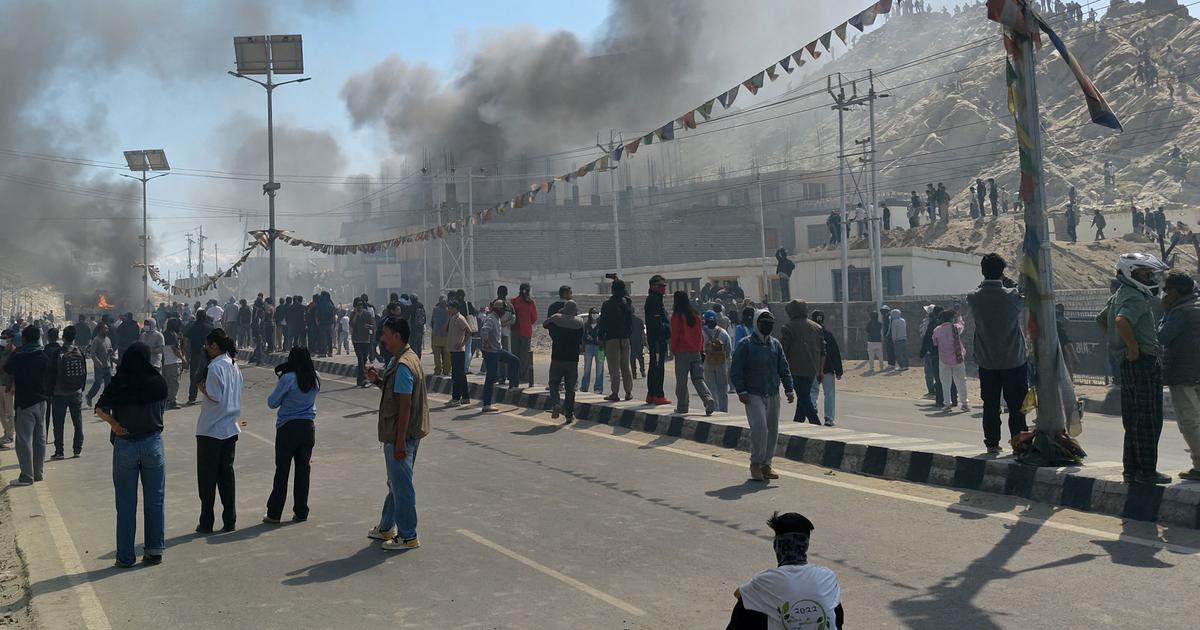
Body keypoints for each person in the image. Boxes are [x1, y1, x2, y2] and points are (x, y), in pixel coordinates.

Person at [1098, 253, 1172, 484]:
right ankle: (1147, 471)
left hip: (1129, 365)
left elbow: (1102, 320)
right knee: (1148, 420)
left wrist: (1119, 346)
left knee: (1132, 420)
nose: (1149, 278)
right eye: (1145, 274)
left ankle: (1131, 470)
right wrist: (1131, 347)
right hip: (1144, 362)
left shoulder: (1120, 294)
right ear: (1131, 273)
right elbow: (1121, 321)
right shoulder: (1135, 299)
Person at [93, 341, 168, 567]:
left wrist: (114, 425)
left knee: (125, 503)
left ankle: (125, 556)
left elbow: (99, 408)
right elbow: (161, 410)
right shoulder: (158, 381)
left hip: (125, 443)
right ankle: (154, 550)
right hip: (152, 443)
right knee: (155, 500)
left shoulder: (119, 381)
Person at [364, 318, 429, 551]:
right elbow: (397, 393)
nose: (383, 338)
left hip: (401, 434)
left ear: (397, 336)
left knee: (401, 485)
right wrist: (379, 381)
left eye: (386, 334)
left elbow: (405, 404)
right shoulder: (406, 359)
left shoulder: (403, 364)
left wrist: (400, 439)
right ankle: (386, 527)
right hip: (406, 432)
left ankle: (408, 535)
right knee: (396, 482)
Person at [728, 512, 844, 629]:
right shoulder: (827, 576)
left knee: (747, 605)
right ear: (805, 545)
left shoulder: (767, 580)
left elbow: (739, 594)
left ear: (777, 545)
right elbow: (838, 619)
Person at [967, 254, 1030, 454]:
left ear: (982, 272)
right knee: (1017, 406)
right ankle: (1019, 443)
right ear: (1002, 272)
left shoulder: (973, 297)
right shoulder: (1011, 296)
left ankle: (992, 443)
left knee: (990, 405)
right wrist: (1008, 282)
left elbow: (978, 289)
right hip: (1014, 360)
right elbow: (1022, 295)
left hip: (987, 361)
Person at [731, 310, 795, 481]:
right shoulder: (745, 344)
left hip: (773, 392)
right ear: (756, 324)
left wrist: (789, 389)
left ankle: (767, 464)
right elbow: (736, 369)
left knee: (772, 430)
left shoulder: (776, 345)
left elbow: (784, 368)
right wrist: (741, 390)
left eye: (770, 322)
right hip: (753, 394)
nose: (767, 325)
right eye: (763, 321)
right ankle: (755, 463)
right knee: (759, 428)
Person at [194, 329, 243, 533]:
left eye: (207, 345)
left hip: (211, 429)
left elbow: (215, 396)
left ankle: (207, 522)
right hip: (230, 428)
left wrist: (200, 386)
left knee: (207, 479)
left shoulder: (215, 367)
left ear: (214, 346)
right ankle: (229, 519)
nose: (205, 348)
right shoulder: (234, 365)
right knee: (226, 476)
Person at [264, 347, 320, 524]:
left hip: (288, 427)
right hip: (307, 427)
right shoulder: (315, 376)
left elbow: (272, 402)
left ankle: (274, 513)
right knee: (303, 471)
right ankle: (301, 511)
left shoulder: (288, 378)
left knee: (282, 470)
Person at [1157, 272, 1200, 480]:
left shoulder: (1179, 312)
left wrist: (1164, 313)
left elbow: (1162, 337)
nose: (1164, 294)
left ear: (1176, 291)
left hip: (1183, 374)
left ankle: (1199, 464)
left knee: (1189, 420)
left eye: (1167, 290)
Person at [4, 326, 48, 485]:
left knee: (24, 440)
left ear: (24, 339)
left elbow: (7, 369)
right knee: (39, 439)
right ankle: (38, 473)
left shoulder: (19, 356)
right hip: (41, 402)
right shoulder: (43, 356)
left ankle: (26, 476)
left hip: (24, 403)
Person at [671, 291, 716, 416]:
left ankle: (682, 406)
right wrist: (700, 349)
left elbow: (675, 335)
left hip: (682, 352)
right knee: (698, 379)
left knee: (681, 380)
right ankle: (708, 399)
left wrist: (673, 349)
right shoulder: (695, 315)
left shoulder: (677, 316)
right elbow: (700, 335)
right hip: (695, 351)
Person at [780, 300, 824, 425]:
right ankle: (797, 422)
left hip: (795, 370)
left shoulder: (788, 327)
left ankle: (816, 423)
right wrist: (820, 370)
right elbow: (822, 351)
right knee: (803, 397)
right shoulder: (817, 327)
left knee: (804, 398)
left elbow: (783, 351)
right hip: (812, 369)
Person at [49, 325, 88, 459]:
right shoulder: (80, 352)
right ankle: (77, 449)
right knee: (77, 421)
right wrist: (80, 389)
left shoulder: (58, 353)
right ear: (74, 337)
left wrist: (51, 391)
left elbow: (52, 374)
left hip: (59, 393)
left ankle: (59, 451)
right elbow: (84, 373)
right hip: (76, 393)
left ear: (63, 337)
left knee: (58, 424)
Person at [544, 300, 584, 423]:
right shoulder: (579, 322)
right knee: (570, 389)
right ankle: (569, 415)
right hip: (572, 360)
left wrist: (559, 314)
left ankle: (556, 403)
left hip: (557, 358)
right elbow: (581, 340)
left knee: (554, 383)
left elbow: (545, 324)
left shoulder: (556, 318)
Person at [479, 300, 520, 413]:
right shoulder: (491, 319)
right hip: (491, 352)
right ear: (498, 309)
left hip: (497, 350)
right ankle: (487, 404)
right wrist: (487, 344)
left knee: (514, 361)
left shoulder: (497, 318)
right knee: (490, 378)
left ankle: (513, 386)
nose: (504, 312)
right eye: (503, 310)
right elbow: (484, 331)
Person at [599, 279, 635, 402]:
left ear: (612, 290)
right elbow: (631, 321)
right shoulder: (627, 304)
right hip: (624, 339)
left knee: (614, 368)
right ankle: (628, 392)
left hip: (611, 339)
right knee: (625, 366)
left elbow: (602, 322)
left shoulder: (607, 304)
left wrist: (600, 337)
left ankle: (615, 393)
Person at [933, 310, 970, 413]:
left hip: (944, 360)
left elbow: (935, 343)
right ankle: (964, 404)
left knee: (946, 383)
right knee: (961, 381)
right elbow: (962, 324)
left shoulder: (937, 330)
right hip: (958, 359)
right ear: (951, 319)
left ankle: (947, 404)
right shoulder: (956, 328)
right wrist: (959, 316)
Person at [645, 275, 672, 405]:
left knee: (654, 365)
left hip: (656, 338)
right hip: (657, 339)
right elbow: (657, 322)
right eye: (660, 286)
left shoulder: (656, 299)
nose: (663, 288)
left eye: (664, 286)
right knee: (657, 366)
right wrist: (666, 331)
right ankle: (657, 394)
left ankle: (651, 394)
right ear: (652, 286)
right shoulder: (653, 300)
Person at [702, 310, 733, 413]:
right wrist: (724, 358)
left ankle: (715, 409)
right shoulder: (723, 332)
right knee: (723, 388)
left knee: (711, 387)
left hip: (708, 361)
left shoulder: (702, 332)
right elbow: (729, 348)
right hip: (721, 362)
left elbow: (700, 348)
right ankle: (724, 410)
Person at [182, 311, 213, 406]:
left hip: (196, 355)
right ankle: (210, 397)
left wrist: (186, 356)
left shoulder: (192, 327)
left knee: (194, 377)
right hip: (208, 355)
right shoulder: (209, 328)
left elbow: (186, 341)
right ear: (205, 317)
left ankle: (192, 398)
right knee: (209, 376)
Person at [509, 283, 537, 388]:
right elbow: (534, 318)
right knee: (524, 355)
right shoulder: (530, 302)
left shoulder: (514, 301)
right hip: (526, 331)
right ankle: (523, 376)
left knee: (515, 354)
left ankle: (515, 375)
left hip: (515, 331)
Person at [445, 300, 471, 406]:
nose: (448, 309)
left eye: (450, 307)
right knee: (461, 375)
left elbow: (469, 331)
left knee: (456, 375)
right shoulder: (452, 318)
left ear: (455, 308)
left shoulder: (460, 318)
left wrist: (462, 344)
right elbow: (445, 329)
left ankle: (456, 398)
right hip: (453, 350)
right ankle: (465, 397)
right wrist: (448, 317)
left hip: (458, 351)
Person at [87, 323, 113, 407]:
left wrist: (110, 351)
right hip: (99, 367)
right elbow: (92, 353)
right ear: (100, 330)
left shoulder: (108, 339)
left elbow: (110, 349)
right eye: (105, 328)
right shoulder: (96, 340)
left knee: (108, 385)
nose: (107, 330)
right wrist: (97, 362)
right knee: (98, 384)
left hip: (107, 365)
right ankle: (89, 396)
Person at [161, 318, 185, 410]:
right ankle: (172, 401)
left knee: (167, 383)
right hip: (173, 362)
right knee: (174, 383)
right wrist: (183, 360)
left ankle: (169, 400)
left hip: (166, 362)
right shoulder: (172, 335)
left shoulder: (164, 335)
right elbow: (175, 350)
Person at [350, 300, 375, 388]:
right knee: (360, 359)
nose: (359, 306)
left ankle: (360, 379)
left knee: (364, 360)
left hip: (366, 340)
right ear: (355, 306)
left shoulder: (367, 314)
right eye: (357, 305)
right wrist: (356, 314)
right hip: (356, 340)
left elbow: (373, 325)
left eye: (360, 305)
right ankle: (363, 379)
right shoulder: (353, 314)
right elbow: (352, 325)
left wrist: (369, 326)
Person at [580, 308, 605, 395]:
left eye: (596, 313)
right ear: (590, 314)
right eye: (593, 313)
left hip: (600, 348)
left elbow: (605, 335)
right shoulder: (586, 325)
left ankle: (598, 388)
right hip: (589, 347)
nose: (595, 314)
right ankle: (584, 387)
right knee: (587, 368)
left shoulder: (602, 325)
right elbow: (583, 337)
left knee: (600, 368)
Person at [0, 330, 14, 447]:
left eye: (5, 337)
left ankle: (10, 435)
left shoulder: (13, 351)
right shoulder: (1, 350)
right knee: (1, 412)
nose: (3, 339)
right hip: (0, 383)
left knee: (9, 412)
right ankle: (6, 431)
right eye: (2, 337)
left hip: (7, 385)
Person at [430, 296, 449, 376]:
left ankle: (438, 370)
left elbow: (432, 322)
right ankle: (446, 370)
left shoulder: (435, 309)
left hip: (436, 335)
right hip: (446, 335)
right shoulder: (449, 311)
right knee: (447, 356)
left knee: (437, 356)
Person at [630, 314, 646, 379]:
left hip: (631, 342)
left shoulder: (627, 321)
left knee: (632, 358)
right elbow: (643, 332)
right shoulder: (639, 320)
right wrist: (644, 341)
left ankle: (634, 373)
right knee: (640, 357)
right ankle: (642, 370)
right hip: (639, 341)